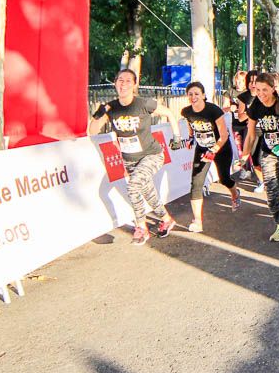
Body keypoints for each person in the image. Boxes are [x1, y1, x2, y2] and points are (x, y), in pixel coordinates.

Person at [88, 69, 174, 245]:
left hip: (152, 154)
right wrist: (98, 114)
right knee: (148, 193)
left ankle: (141, 227)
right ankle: (167, 219)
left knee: (134, 185)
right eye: (120, 80)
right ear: (115, 83)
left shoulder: (143, 103)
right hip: (130, 159)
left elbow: (169, 113)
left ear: (135, 85)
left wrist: (178, 136)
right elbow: (92, 131)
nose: (123, 84)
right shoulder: (111, 107)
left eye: (128, 81)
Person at [241, 72, 279, 242]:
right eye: (258, 90)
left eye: (265, 89)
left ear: (273, 88)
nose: (261, 93)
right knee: (271, 191)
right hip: (268, 153)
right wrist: (244, 156)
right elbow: (250, 135)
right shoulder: (256, 106)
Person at [180, 81, 240, 234]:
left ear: (203, 95)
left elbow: (224, 134)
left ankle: (234, 193)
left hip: (221, 147)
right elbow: (191, 128)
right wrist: (191, 139)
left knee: (224, 179)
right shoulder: (187, 112)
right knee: (196, 183)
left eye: (197, 94)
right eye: (190, 94)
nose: (193, 97)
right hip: (202, 148)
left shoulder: (213, 110)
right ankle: (198, 221)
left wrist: (214, 150)